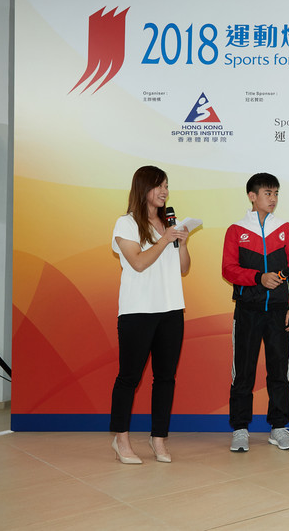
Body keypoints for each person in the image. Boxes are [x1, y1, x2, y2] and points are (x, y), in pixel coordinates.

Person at [110, 165, 191, 464]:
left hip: (171, 309)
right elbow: (139, 263)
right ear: (143, 188)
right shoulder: (127, 224)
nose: (164, 191)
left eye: (167, 185)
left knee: (165, 378)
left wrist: (181, 241)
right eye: (159, 186)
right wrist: (164, 239)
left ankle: (159, 439)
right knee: (129, 377)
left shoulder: (171, 223)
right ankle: (121, 440)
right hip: (137, 311)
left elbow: (183, 267)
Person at [222, 173, 289, 452]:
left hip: (279, 312)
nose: (273, 199)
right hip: (247, 311)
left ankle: (279, 427)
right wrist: (259, 278)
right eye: (268, 193)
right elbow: (228, 269)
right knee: (243, 371)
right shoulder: (236, 230)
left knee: (278, 371)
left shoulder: (285, 229)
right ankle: (240, 429)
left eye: (276, 193)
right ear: (252, 196)